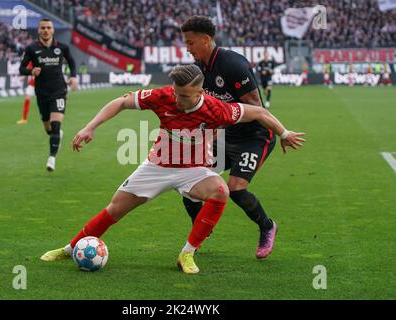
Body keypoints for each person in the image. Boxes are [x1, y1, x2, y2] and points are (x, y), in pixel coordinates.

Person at [40, 65, 305, 274]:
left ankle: (187, 253)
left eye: (185, 96)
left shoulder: (217, 109)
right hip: (157, 166)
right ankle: (70, 247)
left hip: (194, 170)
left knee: (220, 191)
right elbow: (121, 101)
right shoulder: (164, 95)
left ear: (200, 93)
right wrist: (90, 126)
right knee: (115, 209)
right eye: (177, 93)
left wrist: (283, 132)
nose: (178, 100)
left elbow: (258, 113)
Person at [181, 16, 278, 259]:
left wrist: (219, 125)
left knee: (236, 188)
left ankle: (267, 226)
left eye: (190, 43)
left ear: (206, 40)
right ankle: (200, 226)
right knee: (187, 179)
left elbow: (257, 108)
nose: (187, 48)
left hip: (255, 136)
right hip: (226, 134)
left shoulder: (233, 64)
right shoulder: (199, 70)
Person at [19, 18, 78, 171]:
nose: (46, 30)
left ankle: (51, 158)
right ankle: (56, 135)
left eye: (48, 27)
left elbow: (71, 62)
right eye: (43, 28)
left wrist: (73, 76)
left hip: (59, 90)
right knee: (48, 128)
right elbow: (21, 69)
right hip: (41, 92)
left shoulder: (62, 47)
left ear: (53, 30)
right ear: (39, 30)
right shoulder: (31, 48)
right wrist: (31, 71)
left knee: (55, 124)